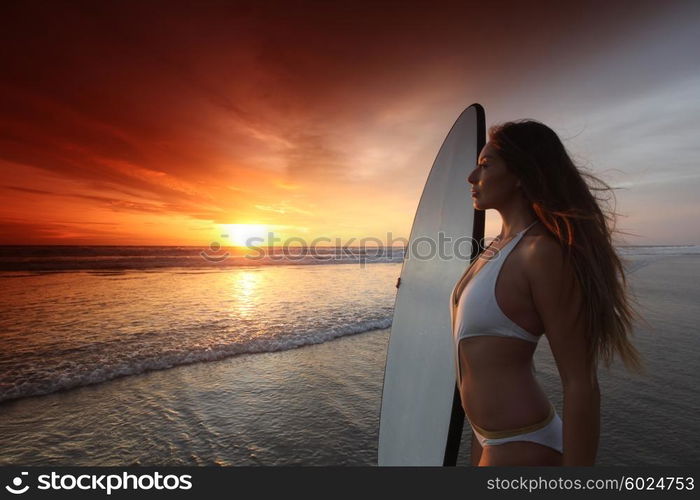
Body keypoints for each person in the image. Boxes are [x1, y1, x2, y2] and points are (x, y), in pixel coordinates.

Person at [449, 120, 644, 466]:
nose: (471, 177)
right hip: (487, 438)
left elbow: (581, 382)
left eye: (485, 165)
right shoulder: (494, 249)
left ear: (522, 173)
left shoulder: (542, 253)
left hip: (522, 442)